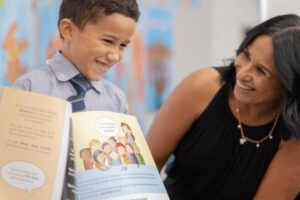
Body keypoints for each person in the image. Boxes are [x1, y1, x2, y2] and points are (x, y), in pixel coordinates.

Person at [146, 14, 300, 200]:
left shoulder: (294, 137)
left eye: (261, 70)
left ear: (288, 84)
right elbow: (149, 163)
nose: (242, 73)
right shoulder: (202, 87)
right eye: (246, 55)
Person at [12, 0, 140, 199]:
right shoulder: (28, 88)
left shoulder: (116, 100)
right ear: (69, 30)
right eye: (108, 41)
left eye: (123, 45)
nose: (115, 55)